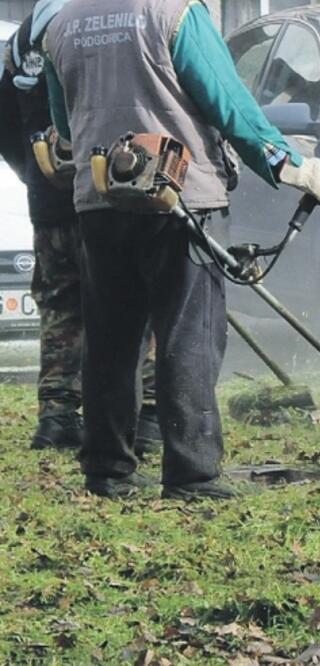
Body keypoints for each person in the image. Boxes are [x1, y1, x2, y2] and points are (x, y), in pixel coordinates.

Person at [43, 0, 320, 499]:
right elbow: (228, 102)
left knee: (111, 341)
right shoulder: (174, 11)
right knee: (189, 336)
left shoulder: (61, 24)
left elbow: (67, 127)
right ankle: (192, 475)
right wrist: (290, 164)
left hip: (100, 198)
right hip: (179, 197)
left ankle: (108, 471)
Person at [0, 7, 161, 453]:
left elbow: (5, 122)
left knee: (60, 306)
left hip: (50, 199)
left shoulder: (27, 35)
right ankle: (149, 416)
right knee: (138, 301)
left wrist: (35, 171)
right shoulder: (103, 20)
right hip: (110, 190)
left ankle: (56, 417)